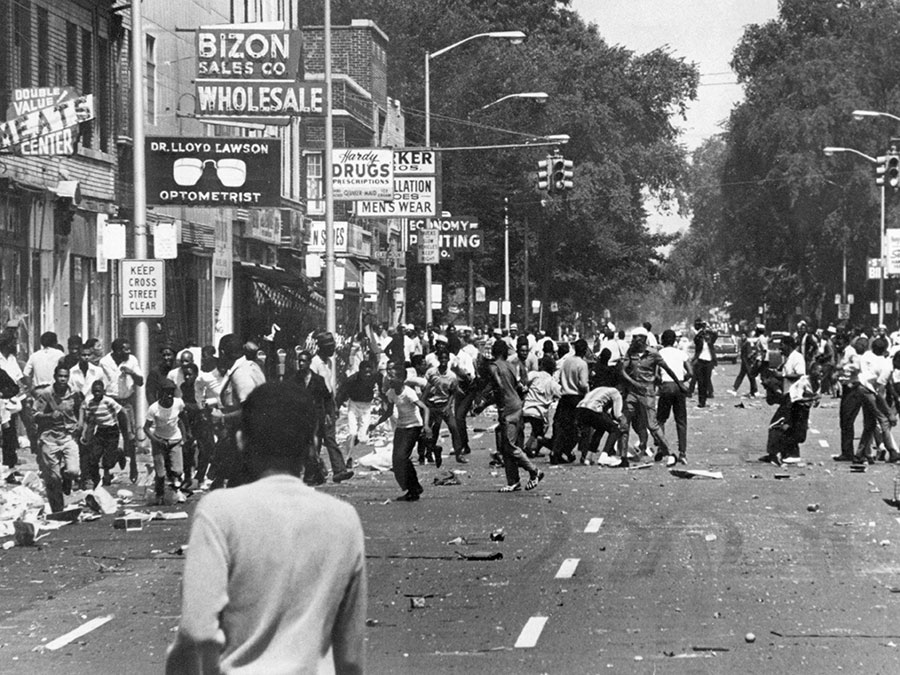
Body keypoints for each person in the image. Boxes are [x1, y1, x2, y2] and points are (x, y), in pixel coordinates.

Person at [165, 382, 366, 674]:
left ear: (241, 441)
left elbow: (197, 634)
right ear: (311, 449)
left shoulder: (219, 511)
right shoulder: (344, 520)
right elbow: (350, 657)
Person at [480, 339, 544, 492]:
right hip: (517, 404)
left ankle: (534, 471)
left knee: (509, 445)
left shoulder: (493, 366)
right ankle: (513, 481)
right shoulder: (510, 366)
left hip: (507, 407)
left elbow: (499, 387)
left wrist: (485, 403)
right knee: (507, 445)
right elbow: (517, 386)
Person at [617, 327, 684, 465]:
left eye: (637, 337)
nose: (634, 340)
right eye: (633, 337)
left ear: (643, 338)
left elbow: (668, 369)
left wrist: (679, 383)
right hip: (632, 393)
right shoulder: (631, 352)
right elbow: (622, 370)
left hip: (647, 393)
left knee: (652, 425)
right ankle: (623, 458)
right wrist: (633, 382)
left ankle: (669, 452)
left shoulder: (653, 354)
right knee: (624, 423)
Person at [368, 361, 432, 501]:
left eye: (393, 377)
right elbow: (389, 412)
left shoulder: (409, 393)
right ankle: (413, 488)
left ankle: (414, 488)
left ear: (402, 379)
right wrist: (375, 424)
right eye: (389, 376)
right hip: (401, 427)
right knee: (397, 461)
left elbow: (425, 408)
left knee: (402, 457)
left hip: (414, 426)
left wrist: (426, 426)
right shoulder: (391, 393)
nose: (389, 379)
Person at [33, 364, 84, 513]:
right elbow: (34, 415)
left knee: (74, 471)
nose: (63, 379)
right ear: (55, 377)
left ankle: (66, 477)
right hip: (49, 438)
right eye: (60, 376)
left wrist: (80, 424)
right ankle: (58, 510)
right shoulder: (46, 394)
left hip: (67, 436)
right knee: (53, 479)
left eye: (65, 376)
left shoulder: (74, 393)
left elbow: (81, 408)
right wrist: (49, 416)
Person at [99, 338, 145, 483]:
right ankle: (106, 470)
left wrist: (131, 372)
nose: (128, 352)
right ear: (117, 351)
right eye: (125, 349)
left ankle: (133, 465)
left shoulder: (131, 360)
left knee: (129, 437)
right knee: (108, 435)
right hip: (110, 402)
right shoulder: (105, 362)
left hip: (125, 402)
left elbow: (140, 381)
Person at [310, 332, 353, 482]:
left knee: (328, 438)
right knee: (320, 439)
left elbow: (330, 386)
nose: (333, 350)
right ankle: (329, 471)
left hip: (328, 403)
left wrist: (333, 406)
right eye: (330, 347)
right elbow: (315, 388)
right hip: (318, 404)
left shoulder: (328, 363)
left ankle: (335, 471)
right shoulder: (314, 363)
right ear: (321, 347)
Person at [144, 378, 187, 504]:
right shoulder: (154, 408)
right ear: (160, 393)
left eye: (171, 392)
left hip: (175, 439)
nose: (169, 396)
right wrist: (156, 440)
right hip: (159, 440)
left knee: (178, 470)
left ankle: (176, 490)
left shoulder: (178, 403)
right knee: (160, 473)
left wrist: (184, 436)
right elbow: (146, 428)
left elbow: (181, 419)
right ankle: (159, 494)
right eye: (166, 392)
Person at [422, 346, 466, 465]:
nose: (443, 360)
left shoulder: (451, 376)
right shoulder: (431, 373)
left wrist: (448, 405)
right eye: (441, 358)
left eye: (445, 358)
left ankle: (458, 453)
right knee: (432, 431)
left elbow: (453, 392)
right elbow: (425, 388)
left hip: (444, 405)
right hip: (432, 405)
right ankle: (429, 453)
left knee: (454, 428)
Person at [81, 380, 129, 488]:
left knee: (108, 460)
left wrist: (127, 430)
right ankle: (97, 479)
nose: (97, 394)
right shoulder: (90, 403)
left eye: (99, 391)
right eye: (94, 391)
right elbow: (90, 420)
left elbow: (123, 411)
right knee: (93, 456)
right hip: (101, 431)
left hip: (112, 431)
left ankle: (118, 455)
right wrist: (86, 434)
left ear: (103, 391)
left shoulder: (108, 401)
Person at [550, 338, 590, 464]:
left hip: (564, 397)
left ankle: (556, 452)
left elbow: (561, 377)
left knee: (562, 427)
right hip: (576, 397)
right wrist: (588, 390)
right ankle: (571, 451)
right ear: (584, 350)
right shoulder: (582, 364)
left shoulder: (567, 361)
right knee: (576, 429)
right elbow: (583, 384)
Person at [656, 328, 693, 463]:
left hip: (665, 387)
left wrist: (659, 383)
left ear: (662, 340)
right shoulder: (681, 353)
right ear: (675, 341)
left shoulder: (659, 353)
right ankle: (682, 453)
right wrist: (682, 380)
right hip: (679, 388)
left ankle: (661, 448)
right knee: (681, 421)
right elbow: (690, 372)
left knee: (660, 420)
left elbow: (655, 374)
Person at [335, 360, 378, 467]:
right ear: (360, 371)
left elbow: (383, 389)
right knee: (352, 432)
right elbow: (341, 393)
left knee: (363, 438)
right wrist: (336, 409)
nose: (367, 375)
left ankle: (353, 442)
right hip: (354, 405)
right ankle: (347, 458)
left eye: (369, 372)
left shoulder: (375, 377)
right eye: (365, 372)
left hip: (367, 407)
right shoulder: (352, 380)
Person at [522, 355, 561, 458]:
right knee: (540, 430)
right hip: (540, 413)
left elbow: (523, 382)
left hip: (526, 408)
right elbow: (561, 393)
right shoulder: (552, 382)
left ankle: (526, 448)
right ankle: (532, 448)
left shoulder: (534, 375)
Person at [575, 384, 625, 464]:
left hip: (579, 409)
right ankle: (604, 456)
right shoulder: (616, 393)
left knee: (600, 428)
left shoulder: (601, 388)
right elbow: (617, 414)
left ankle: (588, 457)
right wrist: (623, 421)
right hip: (592, 409)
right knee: (615, 430)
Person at [691, 319, 717, 407]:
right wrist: (701, 331)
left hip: (709, 361)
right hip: (700, 361)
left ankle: (704, 400)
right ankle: (701, 401)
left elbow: (715, 335)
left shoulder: (710, 341)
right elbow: (695, 339)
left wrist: (708, 328)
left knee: (706, 381)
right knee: (700, 382)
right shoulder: (699, 339)